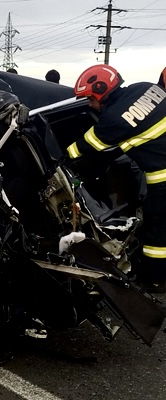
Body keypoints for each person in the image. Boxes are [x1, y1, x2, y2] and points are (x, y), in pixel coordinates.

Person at [67, 64, 166, 293]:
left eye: (90, 99)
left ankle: (155, 279)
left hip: (162, 178)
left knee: (158, 231)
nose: (89, 104)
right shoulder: (146, 87)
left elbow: (84, 147)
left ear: (102, 91)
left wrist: (59, 154)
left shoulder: (113, 120)